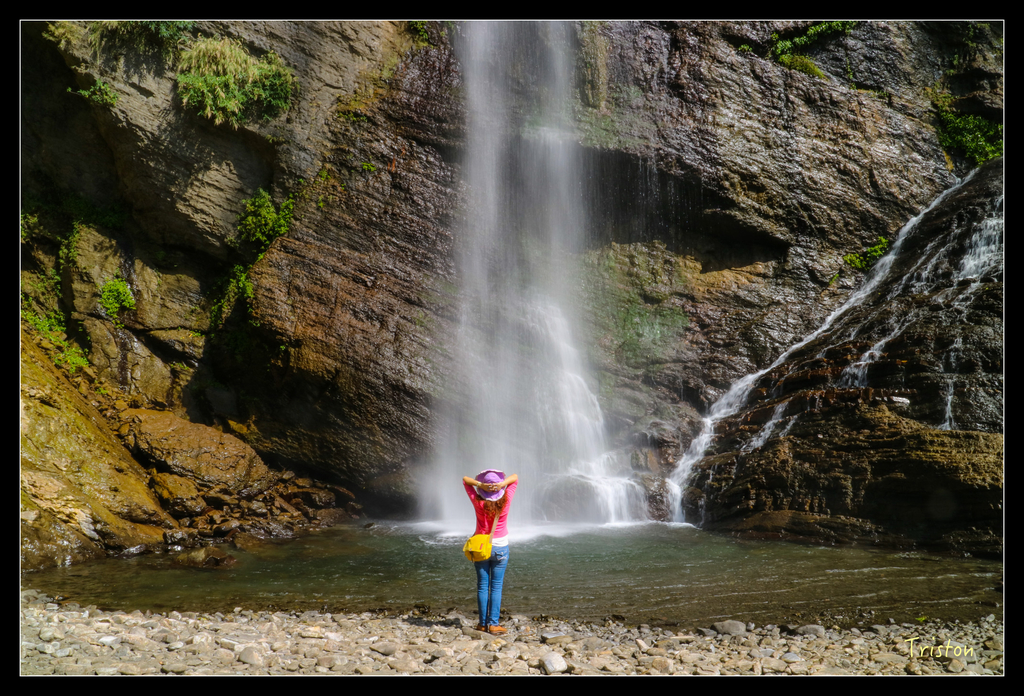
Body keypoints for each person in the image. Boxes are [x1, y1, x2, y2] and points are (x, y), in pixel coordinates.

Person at [462, 469, 518, 634]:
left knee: (482, 586)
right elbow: (514, 479)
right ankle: (493, 624)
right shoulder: (506, 500)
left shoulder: (477, 501)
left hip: (481, 548)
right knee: (496, 587)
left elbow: (465, 480)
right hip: (501, 548)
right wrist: (502, 484)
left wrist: (480, 485)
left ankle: (482, 624)